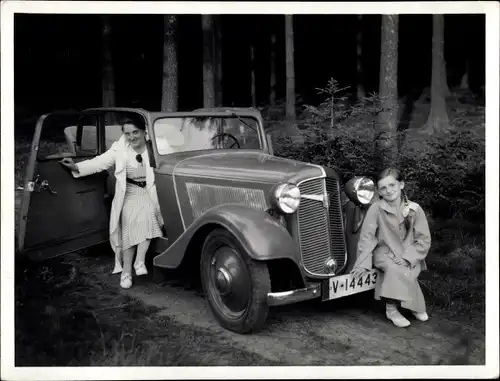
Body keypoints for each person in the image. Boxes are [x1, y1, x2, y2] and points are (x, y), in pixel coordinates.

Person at [60, 117, 169, 289]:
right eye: (127, 134)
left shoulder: (156, 145)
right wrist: (77, 167)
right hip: (129, 193)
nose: (132, 137)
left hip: (151, 192)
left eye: (135, 132)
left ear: (144, 131)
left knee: (148, 211)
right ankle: (130, 268)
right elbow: (101, 162)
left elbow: (171, 163)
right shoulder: (120, 147)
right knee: (129, 219)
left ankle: (136, 264)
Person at [350, 167, 432, 328]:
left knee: (407, 268)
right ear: (379, 192)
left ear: (401, 185)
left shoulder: (415, 209)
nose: (388, 191)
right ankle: (392, 309)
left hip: (408, 252)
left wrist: (408, 257)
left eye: (392, 185)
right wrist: (363, 263)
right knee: (394, 268)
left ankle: (413, 304)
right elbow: (367, 237)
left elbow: (423, 239)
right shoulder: (376, 208)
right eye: (383, 188)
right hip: (384, 251)